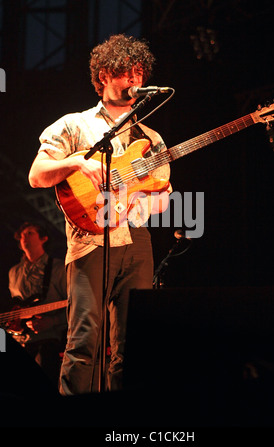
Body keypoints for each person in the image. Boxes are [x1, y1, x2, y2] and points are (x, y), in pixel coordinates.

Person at [28, 34, 172, 395]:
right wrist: (76, 160)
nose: (134, 80)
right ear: (104, 76)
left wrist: (153, 197)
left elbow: (162, 201)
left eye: (139, 72)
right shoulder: (75, 125)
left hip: (136, 241)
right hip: (89, 241)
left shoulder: (151, 138)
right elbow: (36, 175)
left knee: (132, 343)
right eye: (126, 72)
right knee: (84, 340)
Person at [7, 222, 67, 386]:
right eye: (22, 235)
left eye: (30, 233)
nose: (24, 236)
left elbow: (75, 305)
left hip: (50, 340)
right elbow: (16, 305)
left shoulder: (58, 268)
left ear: (44, 239)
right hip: (21, 340)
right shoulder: (13, 272)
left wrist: (52, 322)